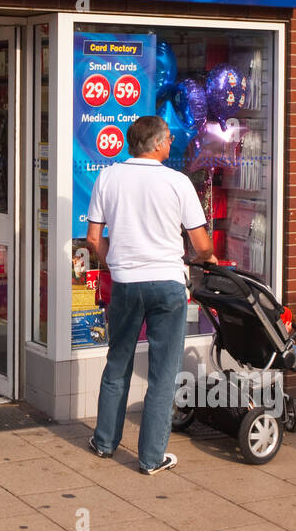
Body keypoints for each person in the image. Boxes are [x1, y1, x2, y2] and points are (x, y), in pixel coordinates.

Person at [85, 115, 216, 475]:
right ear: (157, 144)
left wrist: (117, 262)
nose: (172, 144)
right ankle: (150, 459)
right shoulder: (177, 182)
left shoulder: (108, 177)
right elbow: (201, 243)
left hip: (126, 284)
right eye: (169, 139)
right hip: (168, 284)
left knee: (118, 363)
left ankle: (104, 442)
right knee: (162, 373)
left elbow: (94, 239)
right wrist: (209, 259)